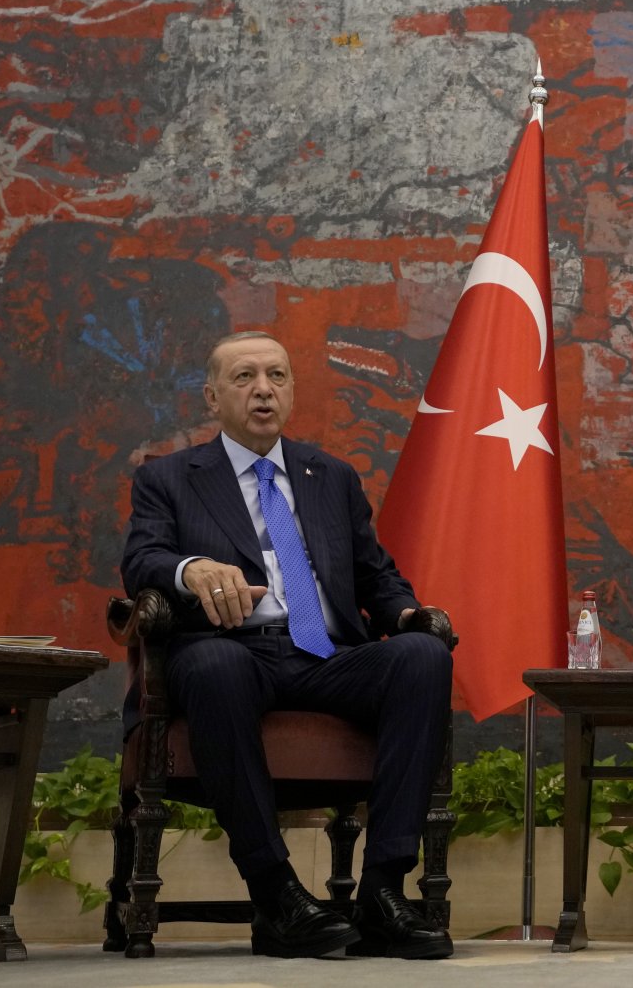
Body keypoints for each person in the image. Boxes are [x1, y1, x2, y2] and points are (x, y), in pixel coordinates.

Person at [121, 331, 453, 960]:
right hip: (231, 650)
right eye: (244, 377)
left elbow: (375, 574)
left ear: (293, 391)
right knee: (216, 665)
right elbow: (143, 558)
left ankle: (383, 891)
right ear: (212, 397)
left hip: (325, 656)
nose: (263, 390)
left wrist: (406, 612)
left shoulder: (330, 475)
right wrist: (190, 569)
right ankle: (274, 891)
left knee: (422, 654)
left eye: (276, 376)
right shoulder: (170, 477)